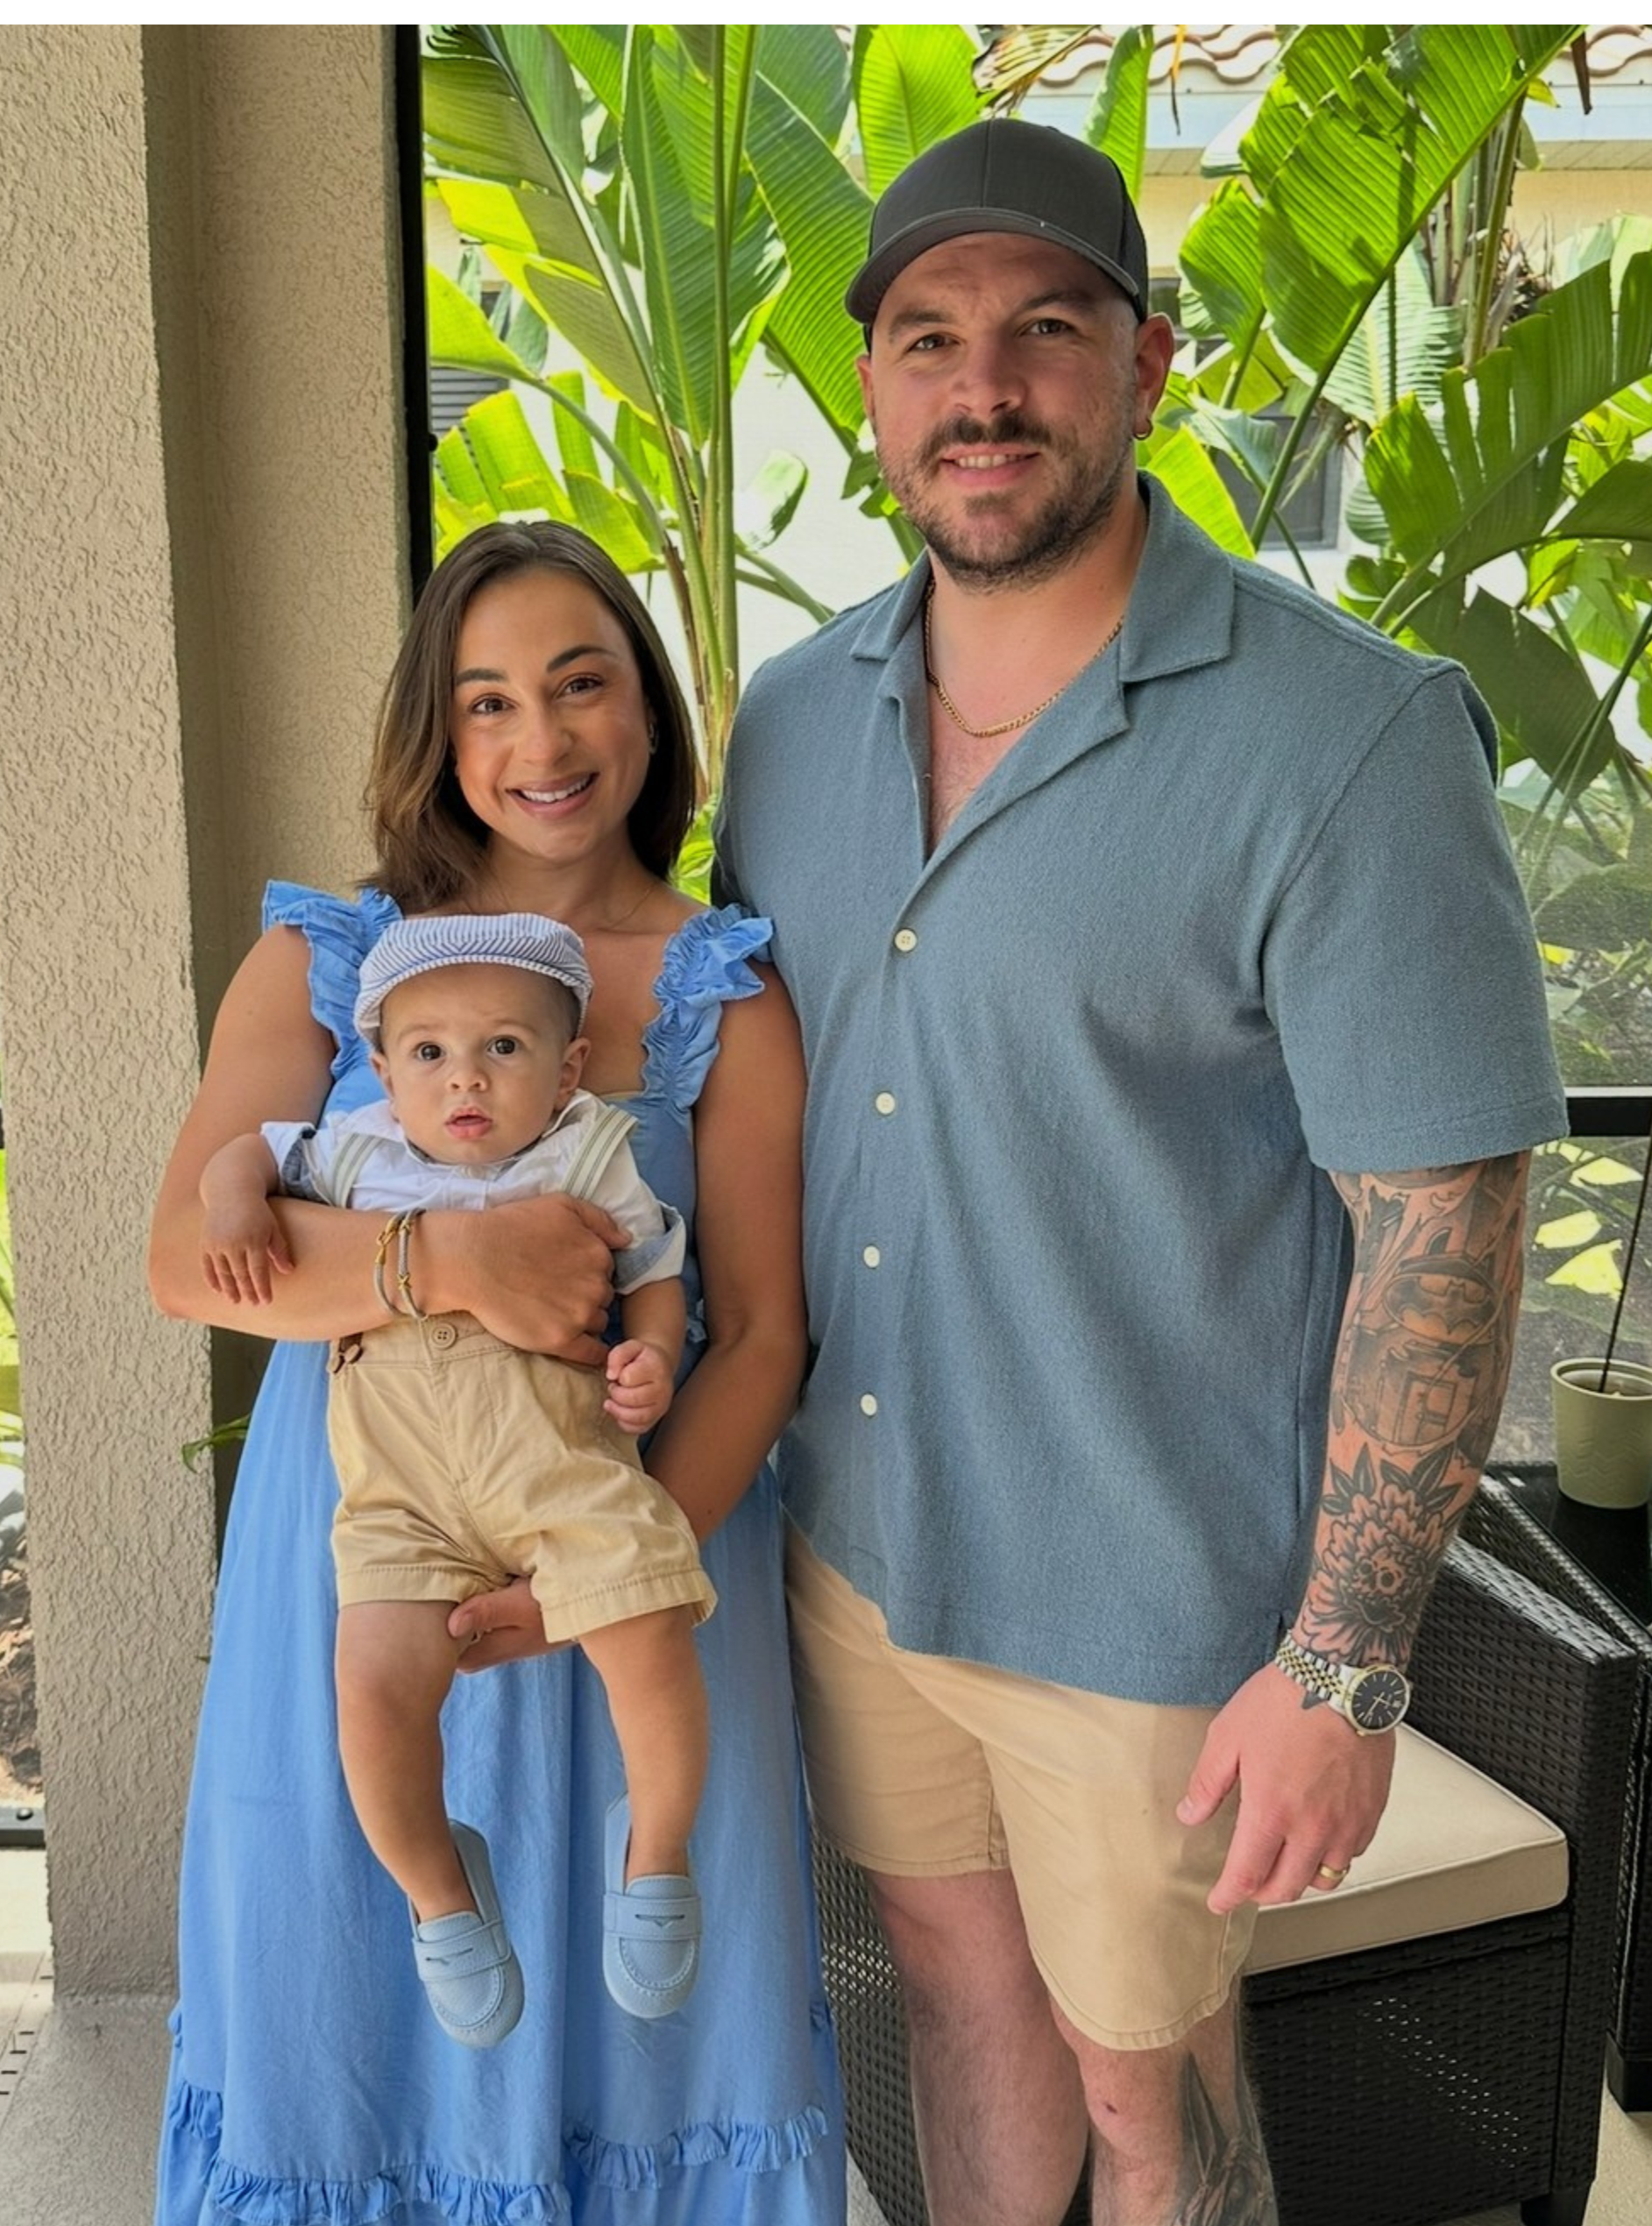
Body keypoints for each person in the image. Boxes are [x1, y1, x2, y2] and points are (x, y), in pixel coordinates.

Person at [710, 117, 1569, 2224]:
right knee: (953, 1993)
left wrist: (1345, 1657)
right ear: (870, 387)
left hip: (1147, 1600)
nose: (982, 388)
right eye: (929, 340)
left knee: (1149, 2092)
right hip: (858, 1547)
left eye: (1044, 329)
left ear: (1148, 360)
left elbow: (1442, 1227)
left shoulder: (1348, 738)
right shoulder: (792, 720)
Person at [147, 522, 846, 2222]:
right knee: (349, 1996)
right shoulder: (333, 964)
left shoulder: (727, 992)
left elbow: (761, 1330)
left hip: (633, 1553)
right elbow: (183, 1257)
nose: (542, 740)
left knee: (649, 2018)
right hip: (362, 1552)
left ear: (648, 708)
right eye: (487, 701)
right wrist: (441, 1262)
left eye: (580, 683)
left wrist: (609, 1564)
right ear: (436, 732)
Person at [197, 911, 716, 2038]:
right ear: (384, 1071)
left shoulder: (586, 1146)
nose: (464, 1076)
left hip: (565, 1471)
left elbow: (655, 1265)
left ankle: (657, 1851)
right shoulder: (354, 1147)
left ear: (568, 1068)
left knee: (651, 1637)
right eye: (428, 1051)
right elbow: (243, 1153)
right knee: (373, 1696)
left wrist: (652, 1355)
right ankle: (441, 1893)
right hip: (402, 1501)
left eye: (504, 1047)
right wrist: (236, 1202)